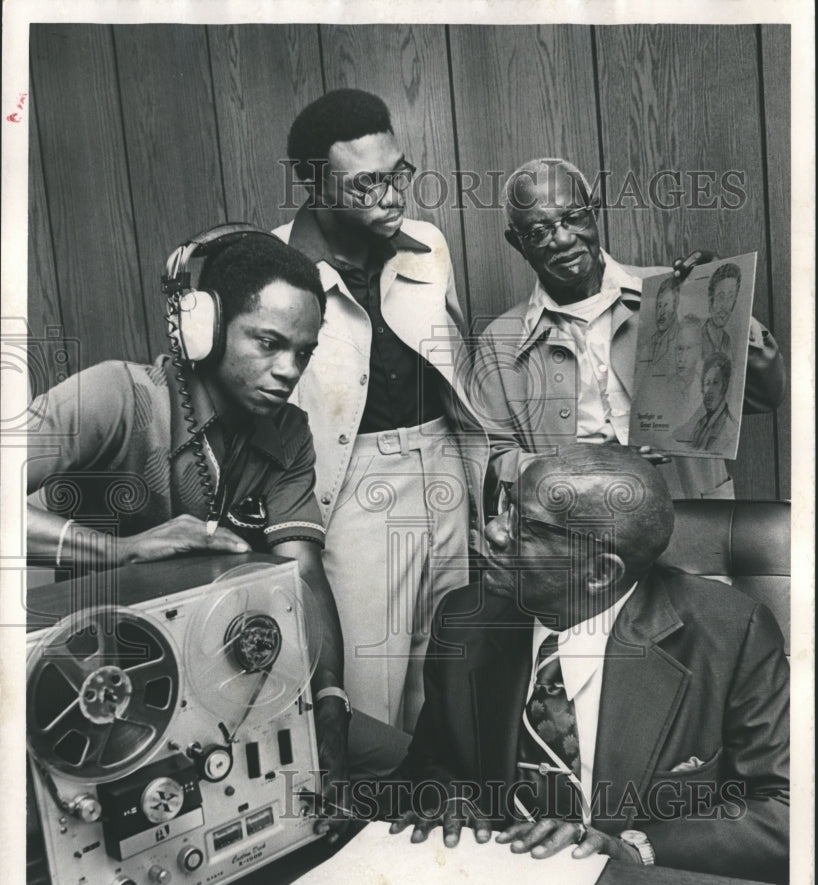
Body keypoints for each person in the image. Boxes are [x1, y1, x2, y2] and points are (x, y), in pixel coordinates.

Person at [26, 229, 350, 841]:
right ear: (199, 326)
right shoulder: (115, 395)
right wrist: (121, 551)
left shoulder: (287, 433)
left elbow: (304, 573)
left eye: (303, 353)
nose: (288, 371)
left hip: (218, 694)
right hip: (104, 704)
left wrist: (331, 705)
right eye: (268, 342)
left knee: (383, 769)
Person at [391, 444, 789, 884]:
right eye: (506, 507)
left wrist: (635, 851)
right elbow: (431, 759)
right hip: (490, 884)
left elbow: (782, 807)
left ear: (600, 572)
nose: (494, 531)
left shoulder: (730, 633)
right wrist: (448, 794)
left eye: (524, 526)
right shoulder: (465, 618)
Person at [275, 89, 486, 777]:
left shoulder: (429, 245)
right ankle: (369, 849)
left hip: (444, 467)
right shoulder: (271, 263)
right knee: (367, 681)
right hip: (350, 486)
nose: (391, 194)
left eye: (399, 173)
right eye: (366, 182)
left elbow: (454, 357)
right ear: (312, 182)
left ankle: (448, 831)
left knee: (450, 663)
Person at [474, 158, 786, 502]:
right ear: (517, 243)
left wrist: (724, 310)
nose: (562, 239)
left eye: (573, 217)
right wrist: (584, 471)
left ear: (594, 210)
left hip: (693, 525)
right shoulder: (499, 341)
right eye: (538, 232)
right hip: (582, 534)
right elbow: (496, 459)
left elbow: (765, 395)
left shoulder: (669, 294)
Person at [674, 352, 738, 453]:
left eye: (715, 383)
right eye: (707, 383)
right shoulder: (700, 425)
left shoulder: (730, 430)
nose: (709, 391)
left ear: (724, 386)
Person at [702, 261, 741, 358]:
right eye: (720, 296)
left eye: (730, 297)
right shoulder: (697, 339)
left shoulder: (727, 341)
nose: (725, 306)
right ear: (711, 301)